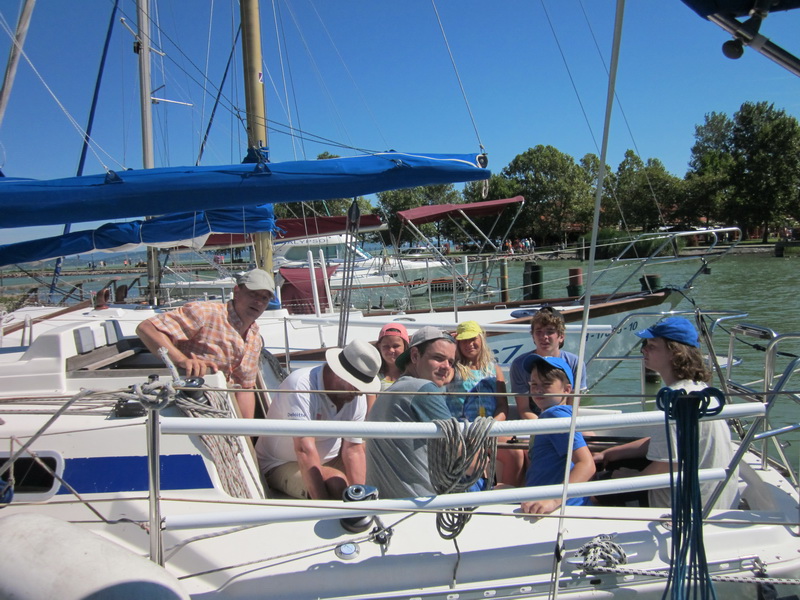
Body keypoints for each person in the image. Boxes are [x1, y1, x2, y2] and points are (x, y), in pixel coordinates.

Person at [592, 317, 739, 509]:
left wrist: (630, 478)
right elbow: (663, 445)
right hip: (716, 497)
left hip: (685, 506)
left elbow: (667, 465)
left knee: (594, 488)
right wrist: (609, 454)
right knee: (613, 466)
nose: (644, 350)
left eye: (652, 346)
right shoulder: (701, 391)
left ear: (675, 353)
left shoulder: (674, 401)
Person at [135, 268, 275, 419]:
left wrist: (246, 429)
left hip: (223, 413)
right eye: (253, 294)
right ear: (237, 291)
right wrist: (182, 360)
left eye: (264, 298)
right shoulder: (204, 313)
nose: (258, 302)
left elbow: (245, 389)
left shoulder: (254, 338)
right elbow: (147, 328)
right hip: (187, 409)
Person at [255, 339, 381, 500]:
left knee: (380, 465)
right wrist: (322, 505)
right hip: (279, 463)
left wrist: (362, 495)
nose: (359, 392)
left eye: (361, 388)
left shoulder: (356, 395)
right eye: (355, 385)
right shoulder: (300, 385)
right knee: (336, 483)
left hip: (331, 459)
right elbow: (304, 449)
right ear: (337, 372)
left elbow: (353, 449)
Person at [366, 326, 456, 498]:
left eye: (451, 362)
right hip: (421, 504)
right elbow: (462, 455)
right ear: (414, 356)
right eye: (438, 358)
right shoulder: (423, 390)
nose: (446, 367)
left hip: (383, 502)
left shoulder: (392, 391)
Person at [446, 321, 522, 486]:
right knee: (476, 456)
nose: (469, 344)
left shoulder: (494, 369)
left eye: (473, 339)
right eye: (463, 341)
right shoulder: (453, 368)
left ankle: (506, 494)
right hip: (463, 430)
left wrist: (492, 425)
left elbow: (502, 405)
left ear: (481, 338)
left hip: (488, 428)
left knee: (516, 452)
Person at [521, 354, 595, 514]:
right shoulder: (559, 414)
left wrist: (554, 500)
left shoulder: (554, 415)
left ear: (567, 390)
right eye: (534, 384)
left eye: (546, 384)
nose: (538, 389)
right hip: (543, 497)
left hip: (551, 506)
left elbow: (586, 464)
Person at [510, 307, 588, 421]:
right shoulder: (519, 364)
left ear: (561, 336)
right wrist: (541, 426)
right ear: (533, 336)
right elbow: (524, 409)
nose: (544, 337)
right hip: (533, 423)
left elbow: (572, 407)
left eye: (550, 331)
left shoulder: (575, 363)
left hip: (563, 419)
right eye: (538, 332)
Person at [366, 323, 410, 413]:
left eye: (396, 346)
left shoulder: (413, 375)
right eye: (386, 346)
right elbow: (370, 412)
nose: (391, 350)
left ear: (405, 346)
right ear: (379, 346)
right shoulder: (374, 376)